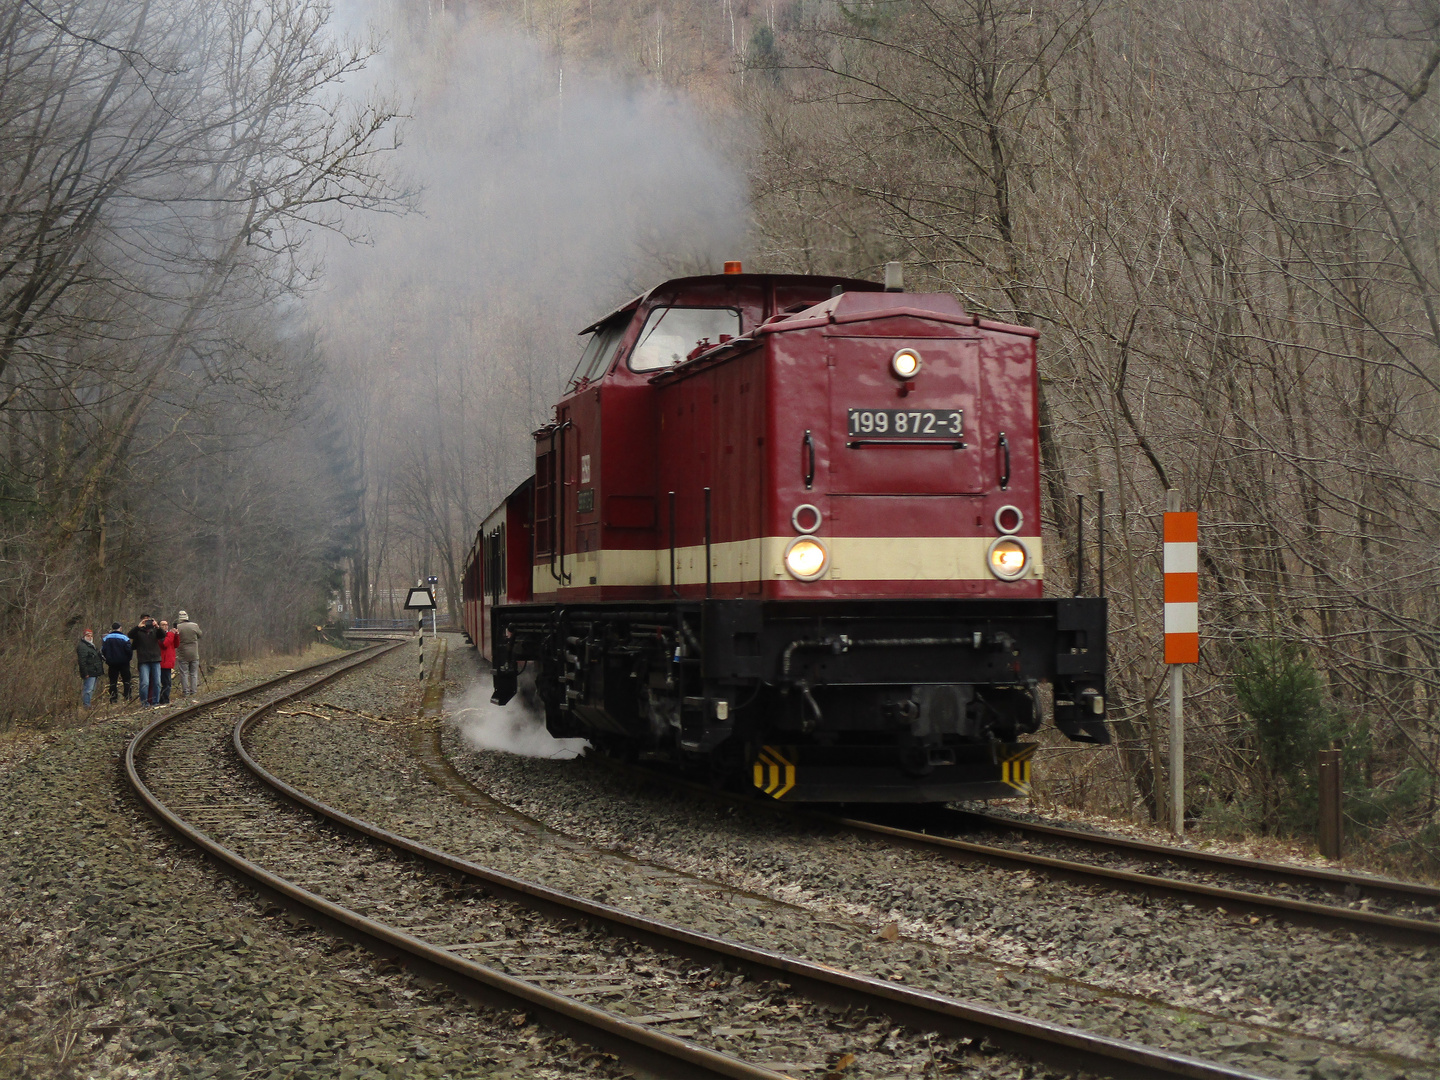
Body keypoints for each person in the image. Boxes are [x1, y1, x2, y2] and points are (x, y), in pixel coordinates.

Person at [129, 614, 164, 707]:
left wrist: (157, 626)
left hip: (155, 659)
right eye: (144, 620)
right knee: (145, 683)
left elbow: (163, 635)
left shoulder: (155, 630)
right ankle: (144, 703)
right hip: (143, 660)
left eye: (148, 620)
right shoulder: (138, 631)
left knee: (157, 682)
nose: (147, 622)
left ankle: (156, 702)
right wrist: (138, 627)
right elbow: (130, 635)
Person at [101, 622, 134, 703]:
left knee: (113, 681)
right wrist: (128, 659)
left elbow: (103, 650)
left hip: (112, 663)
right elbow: (129, 650)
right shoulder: (124, 638)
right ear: (120, 628)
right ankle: (127, 697)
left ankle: (113, 698)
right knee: (126, 680)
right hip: (124, 663)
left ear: (112, 629)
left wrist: (107, 660)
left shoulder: (106, 638)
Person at [175, 610, 202, 698]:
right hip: (194, 653)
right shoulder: (194, 625)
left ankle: (186, 692)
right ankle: (194, 691)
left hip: (183, 654)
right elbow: (200, 635)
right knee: (194, 673)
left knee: (184, 673)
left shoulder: (177, 627)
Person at [76, 629, 105, 707]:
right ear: (84, 636)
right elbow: (82, 661)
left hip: (94, 671)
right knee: (88, 690)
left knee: (91, 690)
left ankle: (88, 704)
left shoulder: (91, 645)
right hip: (89, 672)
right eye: (88, 636)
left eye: (91, 636)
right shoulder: (82, 646)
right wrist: (85, 673)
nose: (90, 637)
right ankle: (86, 705)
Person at [157, 619, 179, 705]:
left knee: (167, 683)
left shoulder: (169, 635)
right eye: (163, 625)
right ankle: (163, 699)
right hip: (163, 662)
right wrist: (171, 634)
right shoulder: (160, 635)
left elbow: (176, 644)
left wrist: (176, 635)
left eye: (166, 624)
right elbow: (165, 644)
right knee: (165, 683)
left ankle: (164, 698)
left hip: (169, 662)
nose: (165, 626)